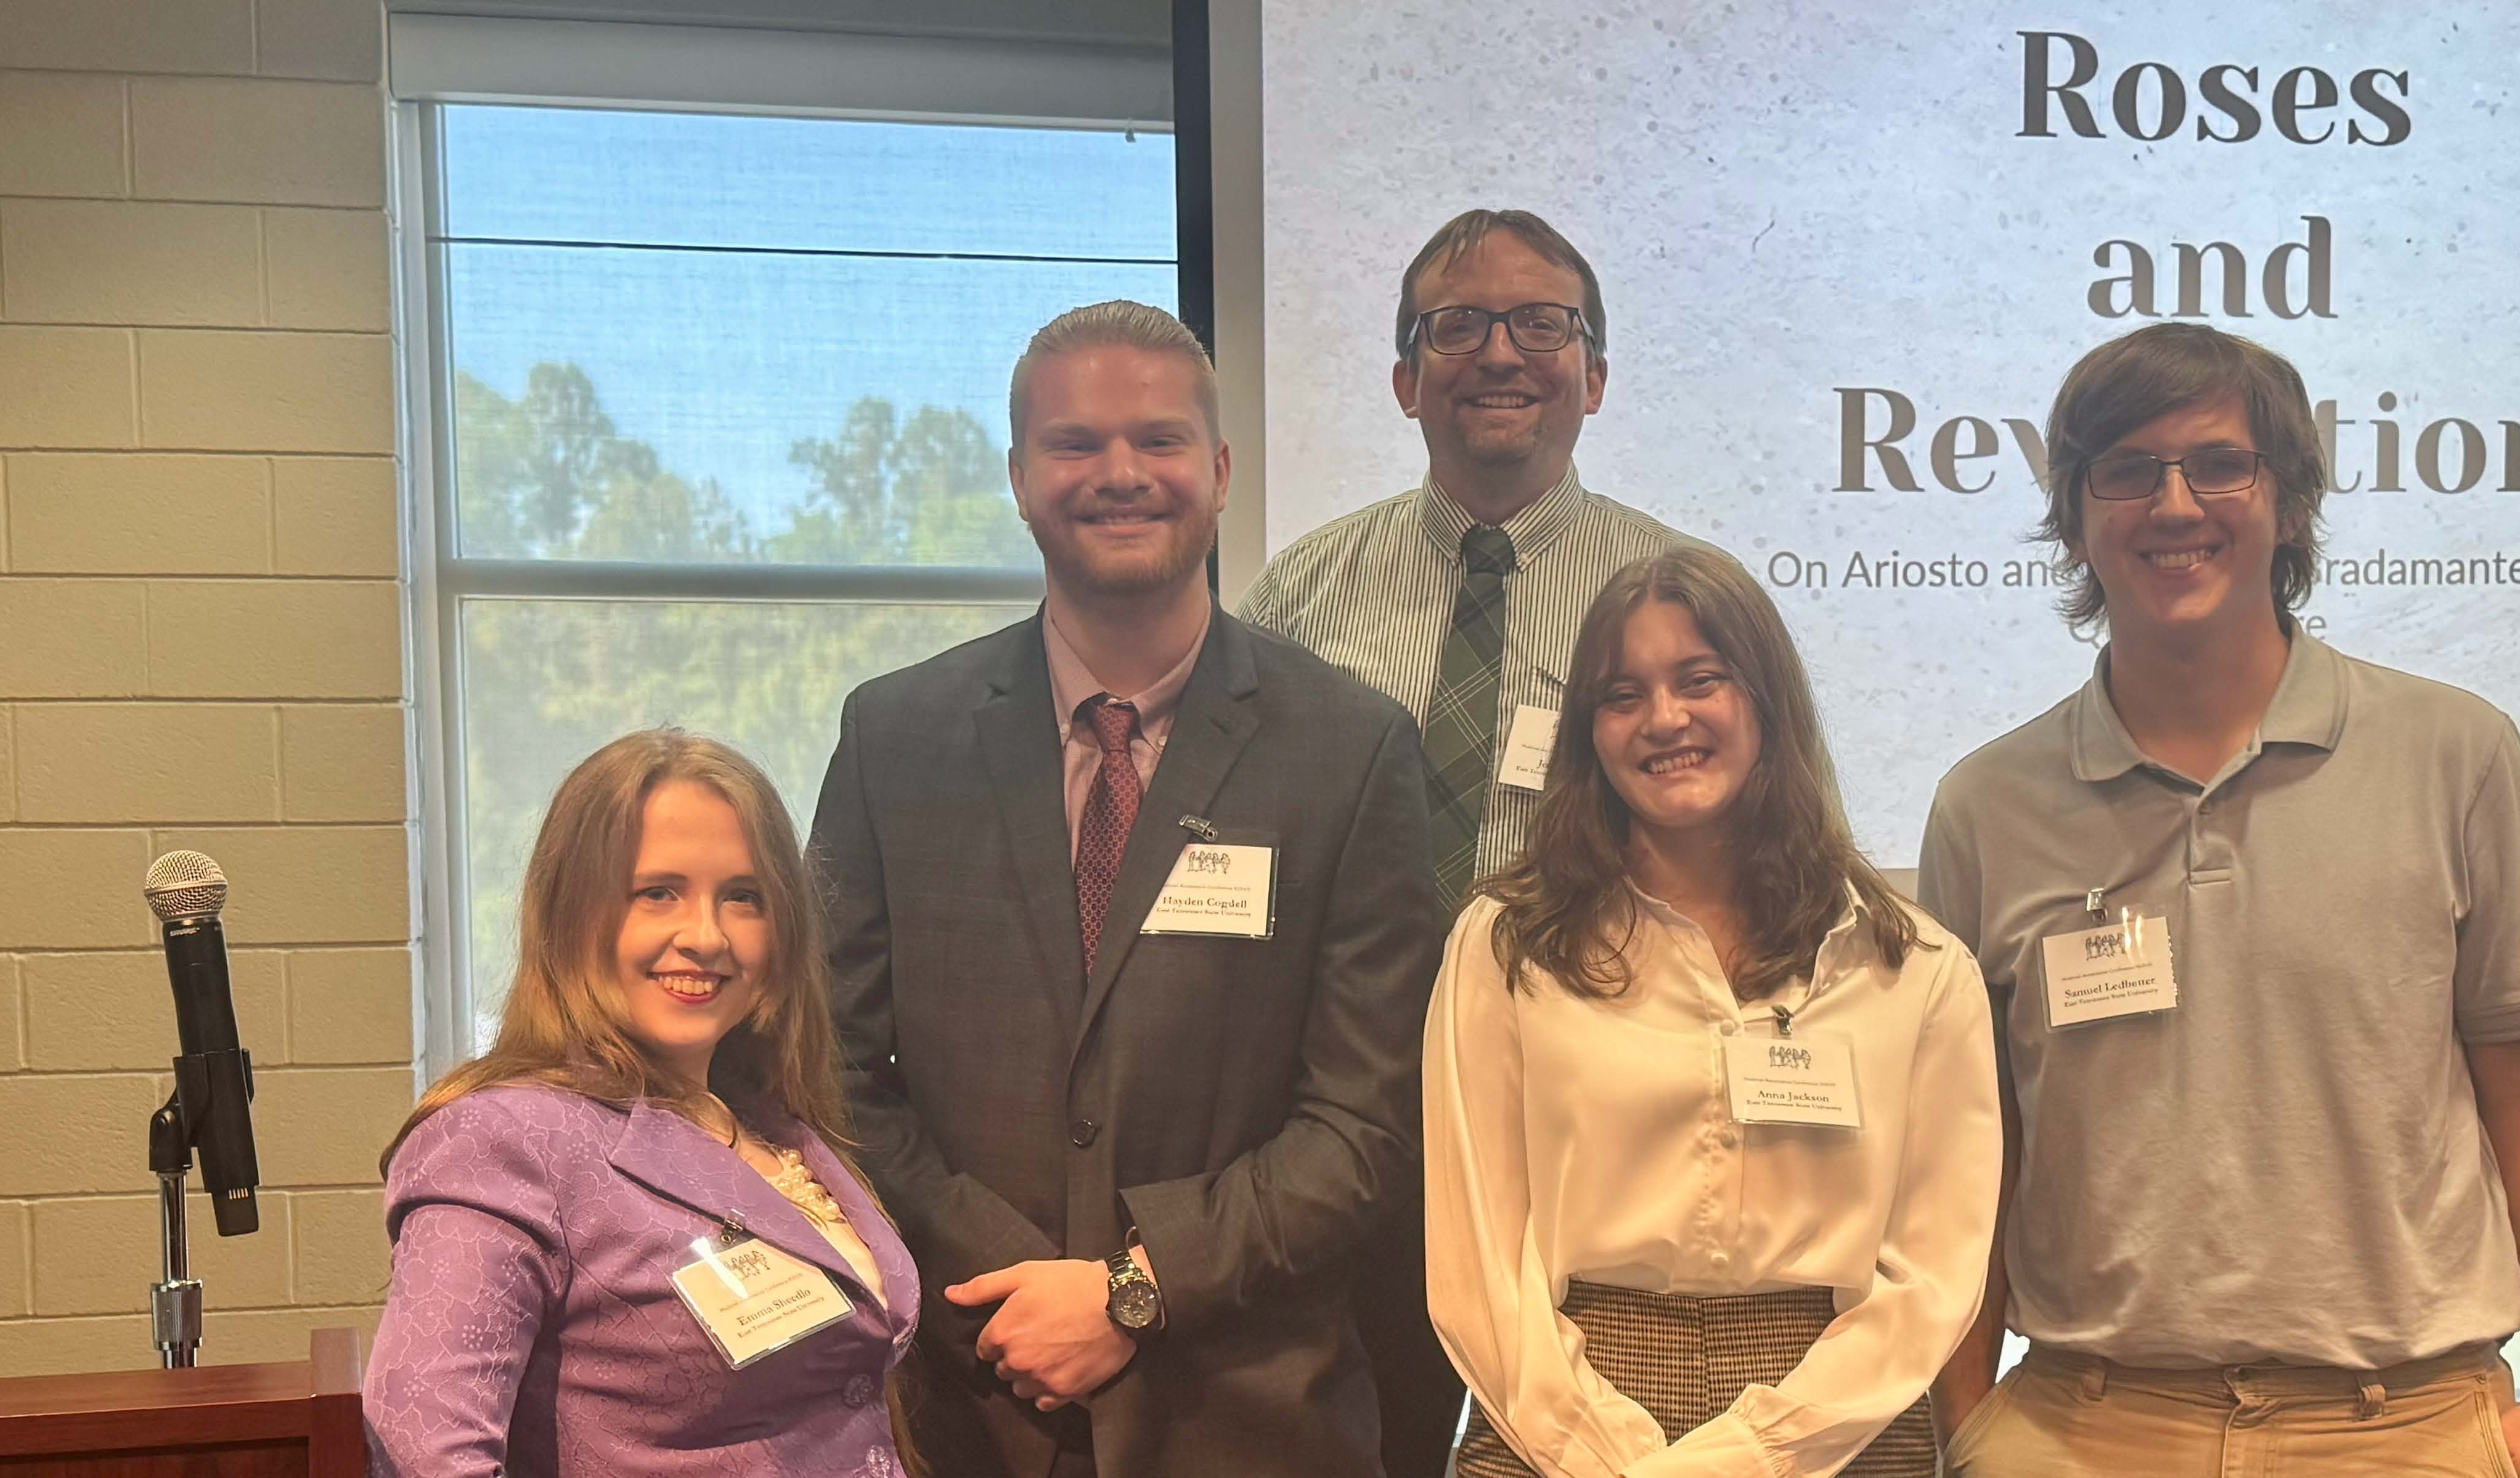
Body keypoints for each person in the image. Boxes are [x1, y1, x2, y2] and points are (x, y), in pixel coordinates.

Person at [1922, 323, 2520, 1477]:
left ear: (2287, 501)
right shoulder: (1987, 805)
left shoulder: (2456, 754)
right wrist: (1967, 1422)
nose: (2173, 503)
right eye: (2127, 470)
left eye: (2217, 464)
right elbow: (1963, 1148)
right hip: (2084, 1429)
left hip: (2403, 1429)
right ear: (2076, 514)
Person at [813, 300, 1445, 1478]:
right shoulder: (894, 736)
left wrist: (1130, 1290)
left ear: (1216, 469)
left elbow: (1364, 1120)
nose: (1118, 474)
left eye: (1156, 440)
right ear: (1016, 476)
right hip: (965, 1404)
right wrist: (1013, 1279)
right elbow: (836, 1076)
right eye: (1074, 443)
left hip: (1252, 1417)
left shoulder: (1350, 749)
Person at [1242, 207, 1703, 1474]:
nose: (1501, 350)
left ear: (1594, 374)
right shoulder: (1299, 595)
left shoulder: (1679, 595)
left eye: (1543, 321)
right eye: (1458, 325)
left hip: (1590, 1132)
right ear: (1405, 378)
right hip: (1350, 1123)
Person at [1425, 545, 2002, 1478]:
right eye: (1622, 694)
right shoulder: (1505, 946)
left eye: (1700, 680)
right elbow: (1476, 1262)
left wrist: (1750, 1453)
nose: (1664, 719)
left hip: (1835, 1425)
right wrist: (1602, 1452)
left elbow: (1932, 1279)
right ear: (1587, 732)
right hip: (1556, 1419)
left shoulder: (1913, 968)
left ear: (1765, 701)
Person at [367, 729, 915, 1478]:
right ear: (574, 914)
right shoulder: (504, 1139)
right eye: (658, 892)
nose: (706, 935)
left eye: (743, 897)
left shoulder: (771, 1123)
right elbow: (423, 1444)